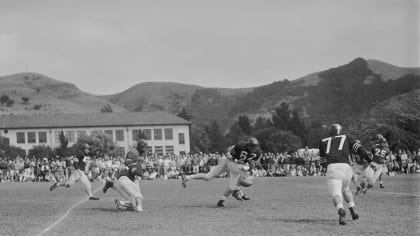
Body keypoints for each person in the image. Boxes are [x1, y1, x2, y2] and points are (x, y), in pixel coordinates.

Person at [180, 137, 261, 207]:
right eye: (251, 147)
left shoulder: (257, 153)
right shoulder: (240, 145)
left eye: (253, 148)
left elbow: (253, 163)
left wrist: (251, 164)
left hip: (236, 166)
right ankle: (187, 177)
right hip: (227, 162)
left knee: (240, 183)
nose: (252, 149)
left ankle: (225, 199)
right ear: (248, 145)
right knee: (208, 177)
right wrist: (236, 160)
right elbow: (228, 155)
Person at [319, 124, 371, 225]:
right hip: (346, 168)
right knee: (346, 189)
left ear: (330, 132)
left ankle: (341, 210)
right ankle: (352, 209)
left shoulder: (322, 141)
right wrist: (368, 159)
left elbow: (322, 161)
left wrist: (329, 167)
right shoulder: (346, 137)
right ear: (340, 131)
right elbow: (359, 149)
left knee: (336, 194)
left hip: (333, 168)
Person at [102, 143, 146, 212]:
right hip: (125, 180)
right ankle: (138, 209)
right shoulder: (136, 164)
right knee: (139, 197)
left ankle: (111, 185)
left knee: (132, 201)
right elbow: (134, 171)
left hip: (120, 181)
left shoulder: (129, 162)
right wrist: (142, 174)